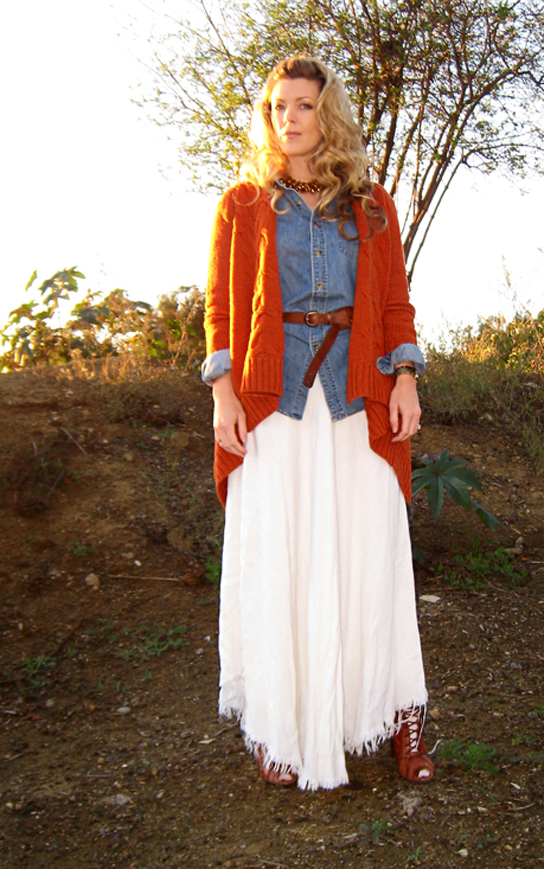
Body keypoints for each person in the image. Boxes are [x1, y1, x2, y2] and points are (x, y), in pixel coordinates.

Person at [202, 56, 434, 790]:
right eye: (277, 107)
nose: (289, 119)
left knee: (376, 559)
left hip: (359, 398)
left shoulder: (373, 206)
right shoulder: (241, 205)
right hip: (274, 401)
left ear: (326, 114)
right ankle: (280, 726)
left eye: (304, 106)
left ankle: (402, 717)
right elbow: (220, 310)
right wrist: (223, 394)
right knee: (280, 561)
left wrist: (404, 378)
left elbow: (395, 304)